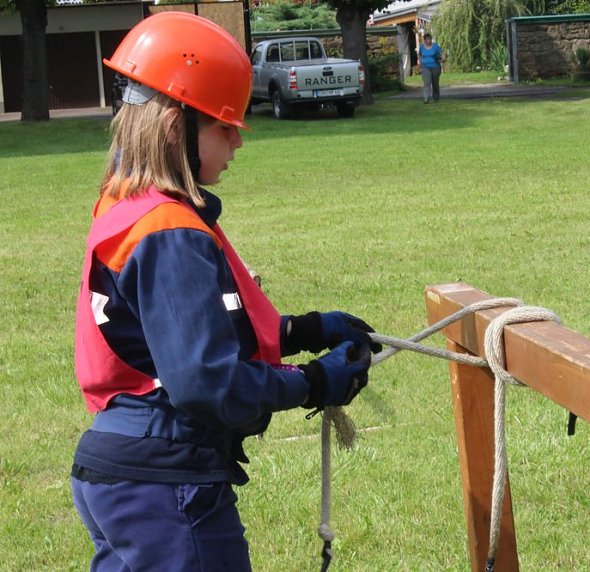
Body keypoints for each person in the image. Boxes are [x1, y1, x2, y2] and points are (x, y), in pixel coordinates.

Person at [70, 12, 380, 571]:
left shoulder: (127, 206)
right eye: (222, 125)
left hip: (124, 475)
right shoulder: (169, 233)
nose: (238, 138)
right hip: (164, 483)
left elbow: (177, 335)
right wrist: (313, 383)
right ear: (174, 127)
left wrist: (303, 331)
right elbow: (207, 381)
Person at [418, 33, 446, 104]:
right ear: (425, 40)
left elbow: (442, 53)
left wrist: (443, 58)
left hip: (435, 67)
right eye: (427, 39)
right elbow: (419, 54)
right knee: (427, 82)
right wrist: (420, 63)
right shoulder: (421, 47)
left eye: (430, 39)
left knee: (435, 83)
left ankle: (436, 97)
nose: (429, 40)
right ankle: (426, 98)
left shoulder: (435, 46)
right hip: (425, 67)